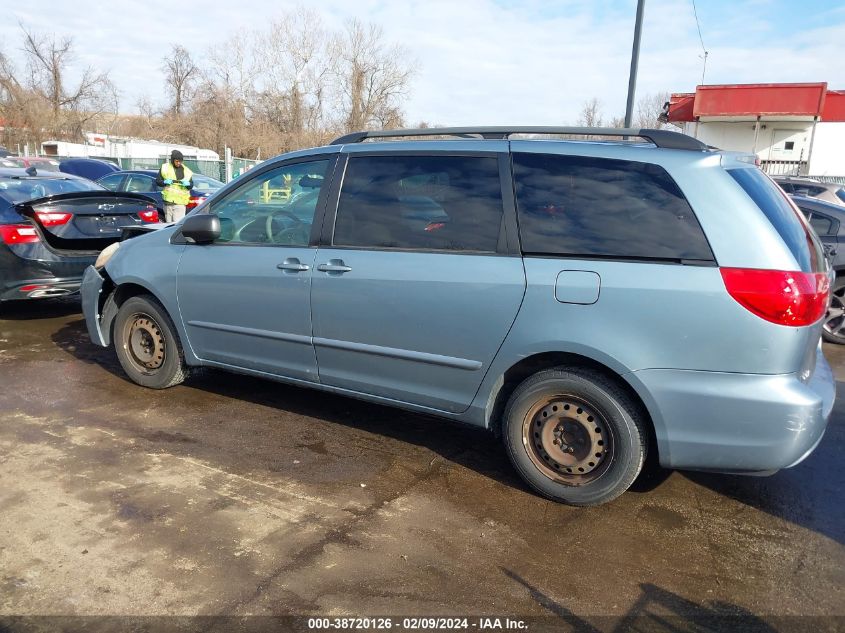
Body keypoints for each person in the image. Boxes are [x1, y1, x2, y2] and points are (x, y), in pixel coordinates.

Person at [155, 150, 194, 222]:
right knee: (169, 225)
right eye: (177, 161)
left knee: (177, 224)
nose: (179, 163)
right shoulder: (165, 168)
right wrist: (164, 182)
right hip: (168, 203)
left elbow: (191, 185)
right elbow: (158, 181)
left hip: (180, 203)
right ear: (173, 160)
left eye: (180, 161)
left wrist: (188, 184)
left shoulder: (186, 171)